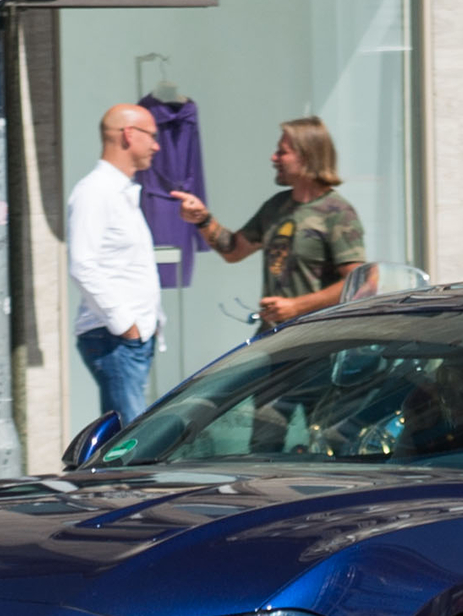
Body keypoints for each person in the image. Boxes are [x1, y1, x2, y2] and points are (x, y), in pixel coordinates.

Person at [171, 118, 366, 331]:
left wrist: (296, 307)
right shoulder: (276, 207)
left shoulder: (337, 213)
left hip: (317, 342)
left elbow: (358, 282)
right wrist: (203, 219)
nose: (274, 158)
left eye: (282, 152)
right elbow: (234, 250)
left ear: (308, 156)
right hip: (274, 338)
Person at [68, 103, 164, 423]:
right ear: (128, 135)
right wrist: (126, 326)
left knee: (124, 438)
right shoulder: (94, 192)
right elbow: (82, 264)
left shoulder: (121, 192)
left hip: (127, 341)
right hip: (114, 339)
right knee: (130, 444)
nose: (156, 145)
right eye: (151, 135)